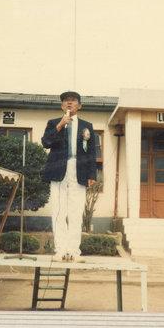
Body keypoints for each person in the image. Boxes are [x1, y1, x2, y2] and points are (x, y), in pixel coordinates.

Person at [40, 91, 99, 261]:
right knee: (59, 211)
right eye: (66, 101)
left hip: (79, 170)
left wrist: (92, 174)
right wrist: (60, 125)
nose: (69, 103)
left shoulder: (87, 126)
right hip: (59, 169)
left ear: (79, 106)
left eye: (73, 101)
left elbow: (92, 153)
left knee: (76, 212)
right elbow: (46, 142)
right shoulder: (53, 123)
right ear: (62, 105)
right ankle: (60, 250)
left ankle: (74, 251)